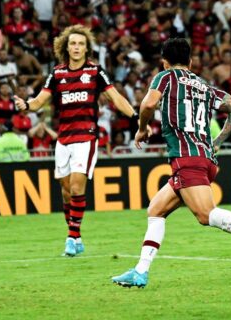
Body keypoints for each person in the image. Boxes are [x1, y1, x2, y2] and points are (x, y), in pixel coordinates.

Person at [111, 38, 231, 288]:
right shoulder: (204, 86)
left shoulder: (165, 78)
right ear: (190, 62)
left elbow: (147, 103)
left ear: (164, 62)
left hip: (187, 158)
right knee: (156, 210)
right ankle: (140, 271)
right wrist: (218, 141)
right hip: (204, 158)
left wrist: (142, 128)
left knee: (205, 214)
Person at [13, 25, 139, 257]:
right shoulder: (57, 73)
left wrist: (135, 116)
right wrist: (26, 106)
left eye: (81, 44)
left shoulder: (95, 72)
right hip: (63, 138)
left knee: (77, 185)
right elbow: (39, 101)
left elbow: (115, 97)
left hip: (86, 136)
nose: (77, 47)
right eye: (73, 43)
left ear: (86, 48)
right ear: (66, 47)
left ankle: (71, 238)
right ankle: (77, 237)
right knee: (66, 191)